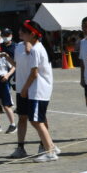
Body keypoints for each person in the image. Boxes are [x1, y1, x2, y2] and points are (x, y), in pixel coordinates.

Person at [16, 20, 58, 163]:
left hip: (38, 90)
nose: (21, 33)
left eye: (24, 31)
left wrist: (24, 89)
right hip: (39, 90)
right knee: (36, 120)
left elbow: (34, 73)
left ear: (32, 34)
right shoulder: (38, 47)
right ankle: (51, 146)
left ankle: (50, 152)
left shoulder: (35, 49)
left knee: (36, 121)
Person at [0, 49, 15, 133]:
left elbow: (13, 66)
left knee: (6, 104)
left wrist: (7, 75)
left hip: (3, 80)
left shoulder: (4, 57)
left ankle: (13, 125)